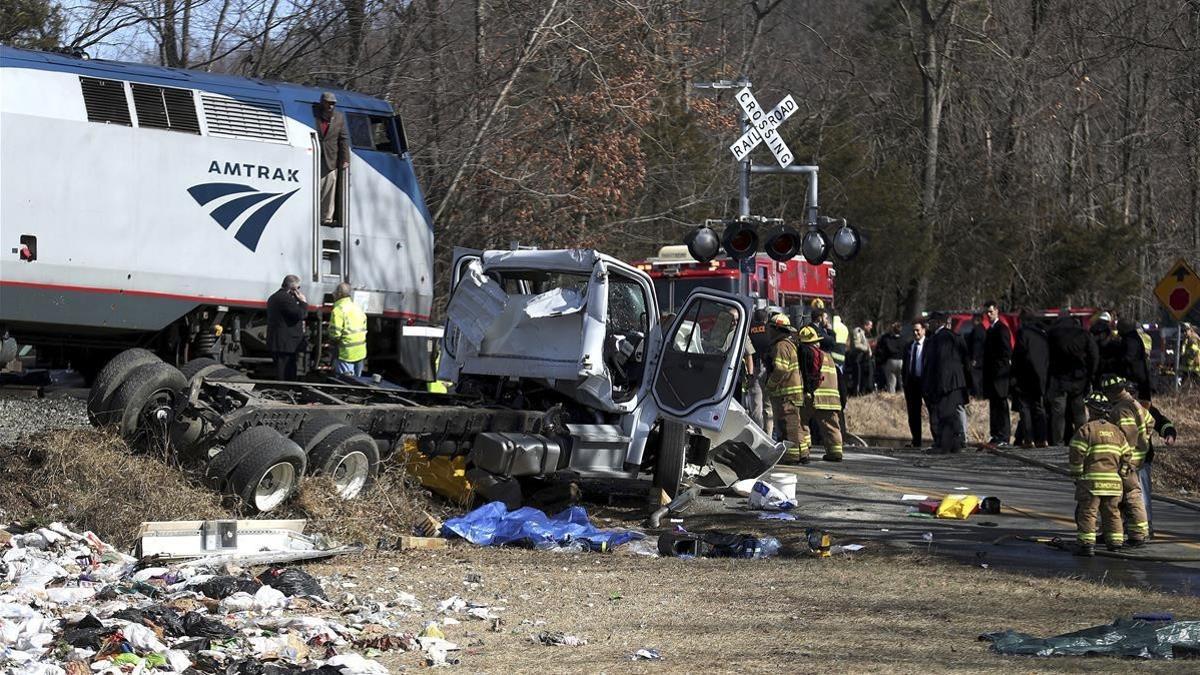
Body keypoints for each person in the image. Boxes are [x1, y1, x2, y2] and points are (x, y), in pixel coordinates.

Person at [1069, 391, 1133, 557]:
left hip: (1092, 483)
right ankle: (1115, 544)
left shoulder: (1086, 430)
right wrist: (1122, 474)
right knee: (1113, 513)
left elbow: (1076, 455)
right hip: (1113, 483)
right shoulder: (1117, 432)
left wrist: (1077, 476)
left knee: (1088, 513)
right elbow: (1127, 456)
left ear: (1090, 409)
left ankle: (1086, 545)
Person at [1100, 375, 1151, 546]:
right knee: (1126, 496)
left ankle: (1132, 535)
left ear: (1112, 392)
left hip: (1127, 461)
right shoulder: (1135, 403)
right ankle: (1128, 533)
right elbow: (1151, 421)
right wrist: (1145, 440)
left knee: (1126, 497)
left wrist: (1124, 458)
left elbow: (1128, 435)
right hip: (1136, 459)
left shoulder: (1121, 409)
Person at [1046, 310, 1099, 445]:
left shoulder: (1052, 334)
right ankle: (1081, 441)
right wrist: (1090, 375)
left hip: (1058, 378)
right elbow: (1094, 356)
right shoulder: (1083, 334)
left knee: (1058, 413)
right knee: (1079, 412)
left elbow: (1045, 356)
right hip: (1079, 379)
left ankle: (1058, 442)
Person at [922, 312, 971, 453]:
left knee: (945, 415)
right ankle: (954, 444)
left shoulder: (941, 338)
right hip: (955, 382)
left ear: (937, 322)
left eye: (930, 321)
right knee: (951, 415)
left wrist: (939, 385)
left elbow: (942, 364)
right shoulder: (951, 336)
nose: (928, 324)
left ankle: (944, 445)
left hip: (946, 383)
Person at [765, 314, 808, 464]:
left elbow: (780, 370)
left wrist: (769, 385)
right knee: (796, 425)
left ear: (777, 328)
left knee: (788, 426)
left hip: (786, 394)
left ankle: (791, 456)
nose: (768, 331)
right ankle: (803, 454)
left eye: (770, 328)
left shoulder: (781, 346)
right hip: (793, 393)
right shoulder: (789, 344)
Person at [797, 325, 843, 461]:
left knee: (801, 421)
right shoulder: (829, 357)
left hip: (815, 396)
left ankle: (804, 452)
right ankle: (835, 452)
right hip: (832, 398)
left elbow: (808, 374)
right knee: (831, 426)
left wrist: (806, 391)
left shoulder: (809, 354)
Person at [1012, 311, 1049, 447]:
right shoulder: (1042, 334)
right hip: (1041, 376)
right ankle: (1042, 438)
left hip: (1025, 376)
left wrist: (1014, 373)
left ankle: (1029, 438)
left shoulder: (1023, 333)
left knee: (1025, 408)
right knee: (1039, 408)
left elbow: (1019, 354)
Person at [315, 92, 350, 226]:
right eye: (328, 103)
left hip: (330, 157)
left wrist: (345, 159)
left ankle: (326, 218)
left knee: (329, 186)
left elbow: (343, 139)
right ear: (322, 103)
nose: (331, 106)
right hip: (315, 156)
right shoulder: (313, 114)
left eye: (333, 103)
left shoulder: (339, 118)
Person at [982, 301, 1013, 447]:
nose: (989, 315)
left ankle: (1004, 436)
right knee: (994, 406)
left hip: (1000, 376)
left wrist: (999, 368)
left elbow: (1006, 352)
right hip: (991, 376)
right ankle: (995, 434)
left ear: (997, 311)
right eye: (987, 312)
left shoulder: (1002, 329)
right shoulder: (990, 330)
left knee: (1001, 406)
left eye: (991, 312)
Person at [266, 275, 307, 381]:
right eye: (298, 288)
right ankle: (286, 392)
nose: (298, 291)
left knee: (281, 369)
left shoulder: (273, 297)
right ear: (292, 288)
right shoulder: (286, 299)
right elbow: (301, 315)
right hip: (286, 344)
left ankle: (284, 390)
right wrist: (303, 302)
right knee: (287, 373)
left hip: (280, 342)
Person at [328, 282, 368, 376]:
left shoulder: (338, 310)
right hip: (360, 352)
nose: (333, 294)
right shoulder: (358, 308)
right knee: (358, 383)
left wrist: (331, 339)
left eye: (335, 292)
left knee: (345, 382)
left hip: (345, 353)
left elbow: (335, 334)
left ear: (339, 294)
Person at [901, 319, 929, 447]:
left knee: (932, 410)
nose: (916, 333)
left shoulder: (929, 345)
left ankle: (938, 440)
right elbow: (905, 365)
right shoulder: (909, 346)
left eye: (918, 330)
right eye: (914, 331)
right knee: (913, 413)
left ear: (924, 330)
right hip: (911, 383)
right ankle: (916, 440)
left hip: (925, 382)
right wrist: (905, 381)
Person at [1117, 318, 1152, 401]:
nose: (1118, 331)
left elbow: (1129, 357)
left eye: (1119, 328)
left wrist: (1116, 362)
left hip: (1136, 378)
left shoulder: (1131, 340)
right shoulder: (1130, 338)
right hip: (1136, 376)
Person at [876, 322, 906, 393]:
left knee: (891, 383)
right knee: (902, 382)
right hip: (901, 361)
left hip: (890, 361)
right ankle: (903, 395)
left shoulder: (887, 339)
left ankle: (892, 396)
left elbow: (881, 350)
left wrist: (882, 360)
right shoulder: (903, 339)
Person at [848, 320, 874, 396]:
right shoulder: (858, 331)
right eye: (870, 325)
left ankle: (862, 392)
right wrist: (866, 348)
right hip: (857, 358)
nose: (871, 327)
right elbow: (857, 344)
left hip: (862, 359)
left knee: (863, 377)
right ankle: (856, 393)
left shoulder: (863, 333)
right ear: (865, 325)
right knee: (857, 377)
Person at [967, 313, 986, 399]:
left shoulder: (978, 330)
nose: (971, 321)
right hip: (981, 359)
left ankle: (978, 395)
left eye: (973, 319)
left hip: (977, 360)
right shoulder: (982, 329)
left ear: (977, 320)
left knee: (976, 379)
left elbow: (976, 345)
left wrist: (974, 359)